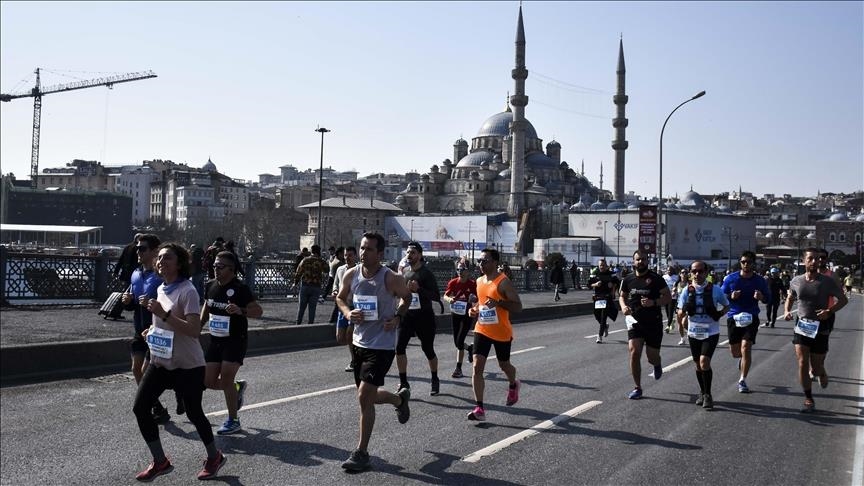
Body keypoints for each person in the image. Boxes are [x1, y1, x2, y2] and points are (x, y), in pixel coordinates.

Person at [133, 242, 226, 481]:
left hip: (188, 365)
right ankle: (160, 461)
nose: (161, 261)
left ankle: (214, 456)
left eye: (168, 258)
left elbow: (194, 330)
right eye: (160, 258)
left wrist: (163, 314)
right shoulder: (162, 289)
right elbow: (165, 326)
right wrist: (152, 332)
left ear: (180, 263)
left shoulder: (188, 291)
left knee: (194, 414)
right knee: (140, 407)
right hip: (161, 362)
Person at [335, 233, 412, 472]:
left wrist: (398, 318)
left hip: (382, 346)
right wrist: (348, 314)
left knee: (363, 396)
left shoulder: (391, 278)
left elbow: (407, 298)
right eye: (361, 248)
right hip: (359, 343)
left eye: (369, 249)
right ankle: (399, 399)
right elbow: (339, 297)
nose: (363, 253)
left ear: (380, 254)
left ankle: (362, 453)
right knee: (367, 397)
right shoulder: (352, 274)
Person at [201, 251, 263, 435]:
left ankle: (233, 420)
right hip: (215, 340)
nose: (216, 270)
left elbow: (258, 311)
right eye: (214, 266)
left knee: (226, 377)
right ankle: (237, 388)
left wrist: (240, 310)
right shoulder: (210, 285)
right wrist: (198, 326)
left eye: (220, 267)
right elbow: (207, 306)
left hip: (235, 340)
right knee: (208, 381)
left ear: (232, 269)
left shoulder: (240, 288)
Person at [783, 247, 848, 413]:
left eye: (817, 259)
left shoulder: (827, 282)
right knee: (802, 362)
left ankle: (821, 371)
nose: (814, 262)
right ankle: (808, 398)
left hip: (821, 327)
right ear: (804, 261)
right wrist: (786, 311)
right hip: (802, 327)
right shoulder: (796, 280)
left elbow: (843, 300)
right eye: (810, 258)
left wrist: (829, 311)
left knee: (816, 367)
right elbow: (790, 296)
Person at [121, 234, 175, 424]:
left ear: (154, 251)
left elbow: (172, 302)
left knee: (163, 373)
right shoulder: (136, 274)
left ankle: (183, 393)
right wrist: (127, 301)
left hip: (158, 330)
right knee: (137, 369)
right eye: (137, 248)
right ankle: (156, 406)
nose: (138, 251)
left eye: (142, 248)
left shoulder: (162, 277)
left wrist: (153, 305)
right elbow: (132, 301)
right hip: (139, 329)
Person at [466, 248, 523, 421]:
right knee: (477, 366)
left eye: (485, 261)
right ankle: (479, 408)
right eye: (479, 261)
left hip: (501, 331)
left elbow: (518, 307)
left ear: (495, 262)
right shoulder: (479, 281)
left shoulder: (503, 282)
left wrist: (499, 302)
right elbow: (482, 304)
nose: (481, 264)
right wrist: (474, 310)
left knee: (504, 365)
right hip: (482, 328)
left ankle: (514, 384)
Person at [619, 249, 672, 400]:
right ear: (633, 261)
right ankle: (638, 387)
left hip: (653, 323)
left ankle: (657, 364)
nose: (640, 262)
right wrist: (623, 306)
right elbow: (622, 296)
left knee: (651, 357)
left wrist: (653, 302)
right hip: (635, 322)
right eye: (637, 259)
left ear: (647, 261)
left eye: (643, 259)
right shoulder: (628, 279)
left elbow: (668, 297)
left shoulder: (656, 279)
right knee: (634, 352)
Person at [678, 260, 729, 410]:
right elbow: (680, 312)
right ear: (690, 273)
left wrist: (719, 314)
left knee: (704, 362)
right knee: (698, 365)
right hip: (693, 332)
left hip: (711, 331)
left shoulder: (716, 290)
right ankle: (702, 391)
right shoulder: (686, 290)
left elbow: (727, 305)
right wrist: (684, 310)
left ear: (706, 273)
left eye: (700, 271)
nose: (697, 274)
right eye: (694, 271)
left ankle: (708, 395)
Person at [721, 250, 771, 394]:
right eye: (743, 262)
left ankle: (742, 380)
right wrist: (731, 296)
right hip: (734, 317)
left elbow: (768, 298)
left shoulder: (759, 280)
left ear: (753, 263)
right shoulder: (731, 278)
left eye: (748, 262)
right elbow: (721, 296)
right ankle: (741, 360)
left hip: (751, 316)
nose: (746, 264)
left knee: (746, 347)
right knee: (736, 352)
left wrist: (761, 297)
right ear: (740, 263)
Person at [396, 242, 442, 396]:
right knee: (399, 348)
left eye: (413, 252)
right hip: (407, 316)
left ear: (420, 255)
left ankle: (435, 379)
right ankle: (403, 382)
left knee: (427, 349)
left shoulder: (426, 273)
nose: (409, 255)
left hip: (424, 317)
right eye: (408, 252)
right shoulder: (405, 272)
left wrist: (419, 289)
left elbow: (436, 296)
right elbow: (403, 294)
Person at [443, 263, 477, 378]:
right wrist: (450, 299)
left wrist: (474, 300)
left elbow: (478, 298)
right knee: (457, 342)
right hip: (455, 314)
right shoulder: (453, 282)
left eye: (462, 269)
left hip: (467, 315)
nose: (460, 271)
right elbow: (445, 295)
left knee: (460, 340)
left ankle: (458, 369)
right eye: (458, 269)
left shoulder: (472, 284)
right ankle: (470, 348)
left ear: (468, 271)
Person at [334, 246, 358, 372]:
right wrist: (335, 291)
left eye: (350, 255)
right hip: (343, 306)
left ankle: (355, 361)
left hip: (355, 306)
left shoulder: (359, 271)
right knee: (340, 337)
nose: (347, 258)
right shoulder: (340, 269)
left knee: (350, 334)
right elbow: (336, 284)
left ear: (355, 256)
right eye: (345, 255)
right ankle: (358, 355)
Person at [294, 245, 329, 325]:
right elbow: (327, 270)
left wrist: (295, 282)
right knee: (312, 309)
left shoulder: (305, 260)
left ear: (312, 251)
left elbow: (298, 272)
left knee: (301, 308)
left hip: (305, 285)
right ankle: (310, 326)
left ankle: (297, 324)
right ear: (319, 252)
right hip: (316, 287)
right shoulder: (321, 261)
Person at [588, 259, 619, 343]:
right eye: (600, 265)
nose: (601, 267)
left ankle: (599, 335)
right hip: (597, 297)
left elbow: (617, 283)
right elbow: (589, 285)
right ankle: (605, 326)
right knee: (596, 314)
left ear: (606, 266)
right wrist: (595, 284)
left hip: (607, 297)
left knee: (603, 316)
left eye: (603, 265)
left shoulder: (611, 274)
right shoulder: (595, 274)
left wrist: (613, 290)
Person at [674, 269, 690, 345]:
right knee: (680, 323)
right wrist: (673, 292)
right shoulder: (677, 283)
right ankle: (682, 339)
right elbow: (673, 294)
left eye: (686, 273)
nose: (684, 274)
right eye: (682, 272)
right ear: (680, 274)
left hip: (688, 306)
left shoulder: (690, 283)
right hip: (678, 306)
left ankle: (690, 332)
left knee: (684, 323)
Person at [662, 267, 680, 334]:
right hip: (665, 296)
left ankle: (668, 326)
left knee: (670, 311)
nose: (669, 271)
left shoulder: (676, 277)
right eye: (668, 270)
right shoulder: (664, 277)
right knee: (667, 311)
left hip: (673, 297)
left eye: (670, 270)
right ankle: (671, 321)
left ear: (673, 271)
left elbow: (679, 284)